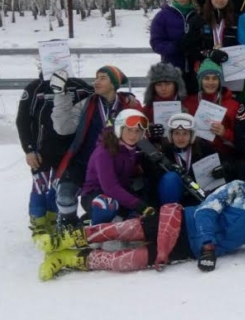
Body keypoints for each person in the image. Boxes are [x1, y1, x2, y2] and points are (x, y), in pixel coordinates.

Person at [35, 159, 245, 281]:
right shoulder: (237, 188)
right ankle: (66, 239)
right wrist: (208, 245)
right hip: (183, 221)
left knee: (131, 261)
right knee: (127, 230)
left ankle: (70, 260)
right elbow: (207, 210)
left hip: (188, 249)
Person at [50, 65, 143, 229]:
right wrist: (59, 95)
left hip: (115, 166)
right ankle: (67, 225)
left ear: (113, 84)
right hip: (84, 163)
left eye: (102, 78)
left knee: (109, 202)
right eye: (96, 77)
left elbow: (141, 131)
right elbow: (63, 128)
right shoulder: (87, 104)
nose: (96, 82)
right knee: (65, 196)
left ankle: (94, 224)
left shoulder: (128, 106)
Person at [17, 72, 92, 234]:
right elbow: (22, 120)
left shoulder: (78, 85)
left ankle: (53, 221)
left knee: (58, 189)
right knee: (40, 187)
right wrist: (29, 149)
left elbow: (99, 98)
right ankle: (37, 224)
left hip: (67, 152)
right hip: (41, 151)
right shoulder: (35, 87)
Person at [79, 109, 183, 225]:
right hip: (96, 195)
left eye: (138, 131)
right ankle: (94, 231)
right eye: (129, 130)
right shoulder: (103, 152)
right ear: (120, 129)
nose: (133, 135)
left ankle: (117, 227)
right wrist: (138, 205)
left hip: (121, 196)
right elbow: (110, 187)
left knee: (140, 219)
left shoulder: (131, 149)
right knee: (107, 204)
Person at [151, 113, 231, 202]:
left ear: (191, 135)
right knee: (170, 178)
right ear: (171, 135)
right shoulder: (165, 153)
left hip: (200, 196)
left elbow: (225, 162)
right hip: (176, 197)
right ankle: (170, 212)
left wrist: (224, 167)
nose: (180, 138)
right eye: (176, 133)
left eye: (185, 133)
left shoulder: (204, 148)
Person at [184, 0, 239, 89]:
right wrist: (208, 53)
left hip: (230, 71)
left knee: (228, 102)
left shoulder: (235, 20)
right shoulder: (197, 20)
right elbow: (188, 47)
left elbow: (240, 45)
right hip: (206, 74)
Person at [183, 59, 240, 155]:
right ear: (200, 81)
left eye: (214, 78)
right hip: (194, 154)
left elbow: (240, 137)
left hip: (222, 154)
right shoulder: (188, 103)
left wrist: (224, 133)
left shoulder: (232, 105)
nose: (210, 82)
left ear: (219, 81)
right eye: (206, 78)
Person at [150, 0, 198, 89]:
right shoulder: (163, 16)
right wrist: (176, 47)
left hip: (194, 69)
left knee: (192, 102)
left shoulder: (197, 14)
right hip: (171, 68)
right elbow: (156, 43)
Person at [143, 62, 187, 129]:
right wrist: (148, 131)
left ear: (176, 85)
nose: (163, 88)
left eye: (168, 84)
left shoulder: (188, 105)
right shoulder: (146, 110)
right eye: (159, 85)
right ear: (153, 87)